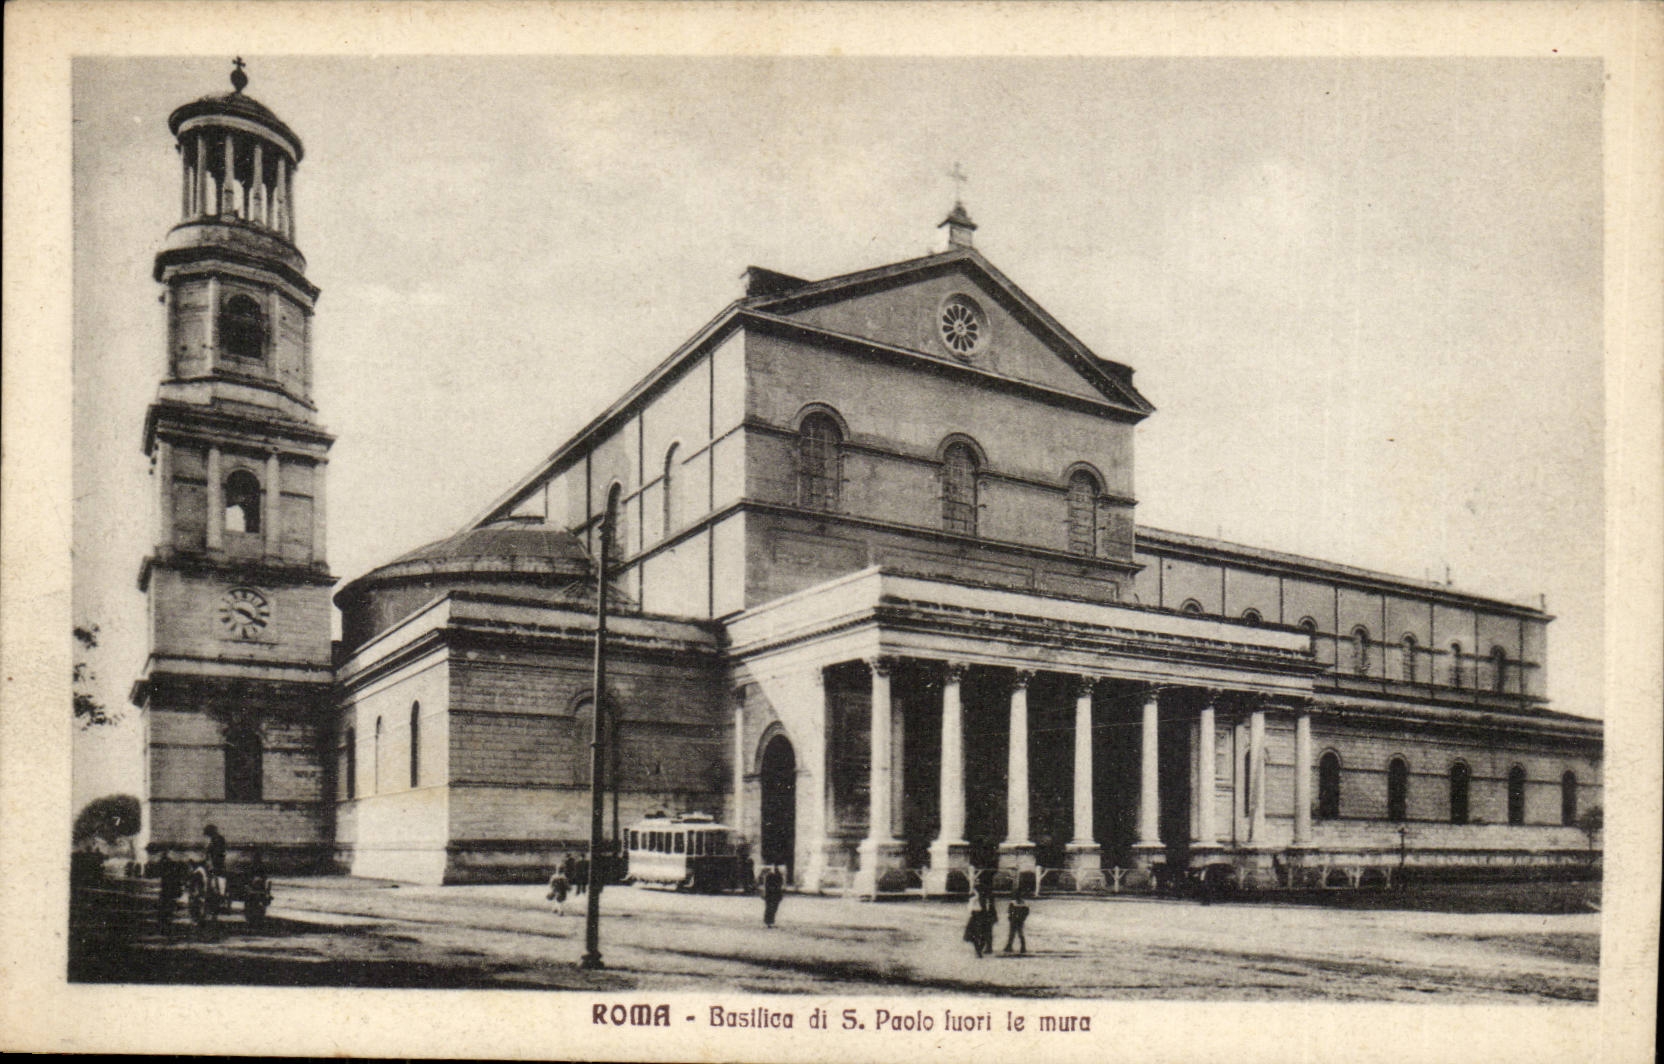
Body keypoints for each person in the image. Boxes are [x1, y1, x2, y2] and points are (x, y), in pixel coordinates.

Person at [1003, 890, 1030, 955]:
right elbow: (1026, 912)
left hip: (1014, 920)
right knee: (1020, 933)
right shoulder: (1025, 903)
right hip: (1020, 920)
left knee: (1012, 934)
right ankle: (1023, 947)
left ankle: (1009, 946)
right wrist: (1023, 918)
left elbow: (1010, 911)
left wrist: (1010, 918)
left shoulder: (1013, 903)